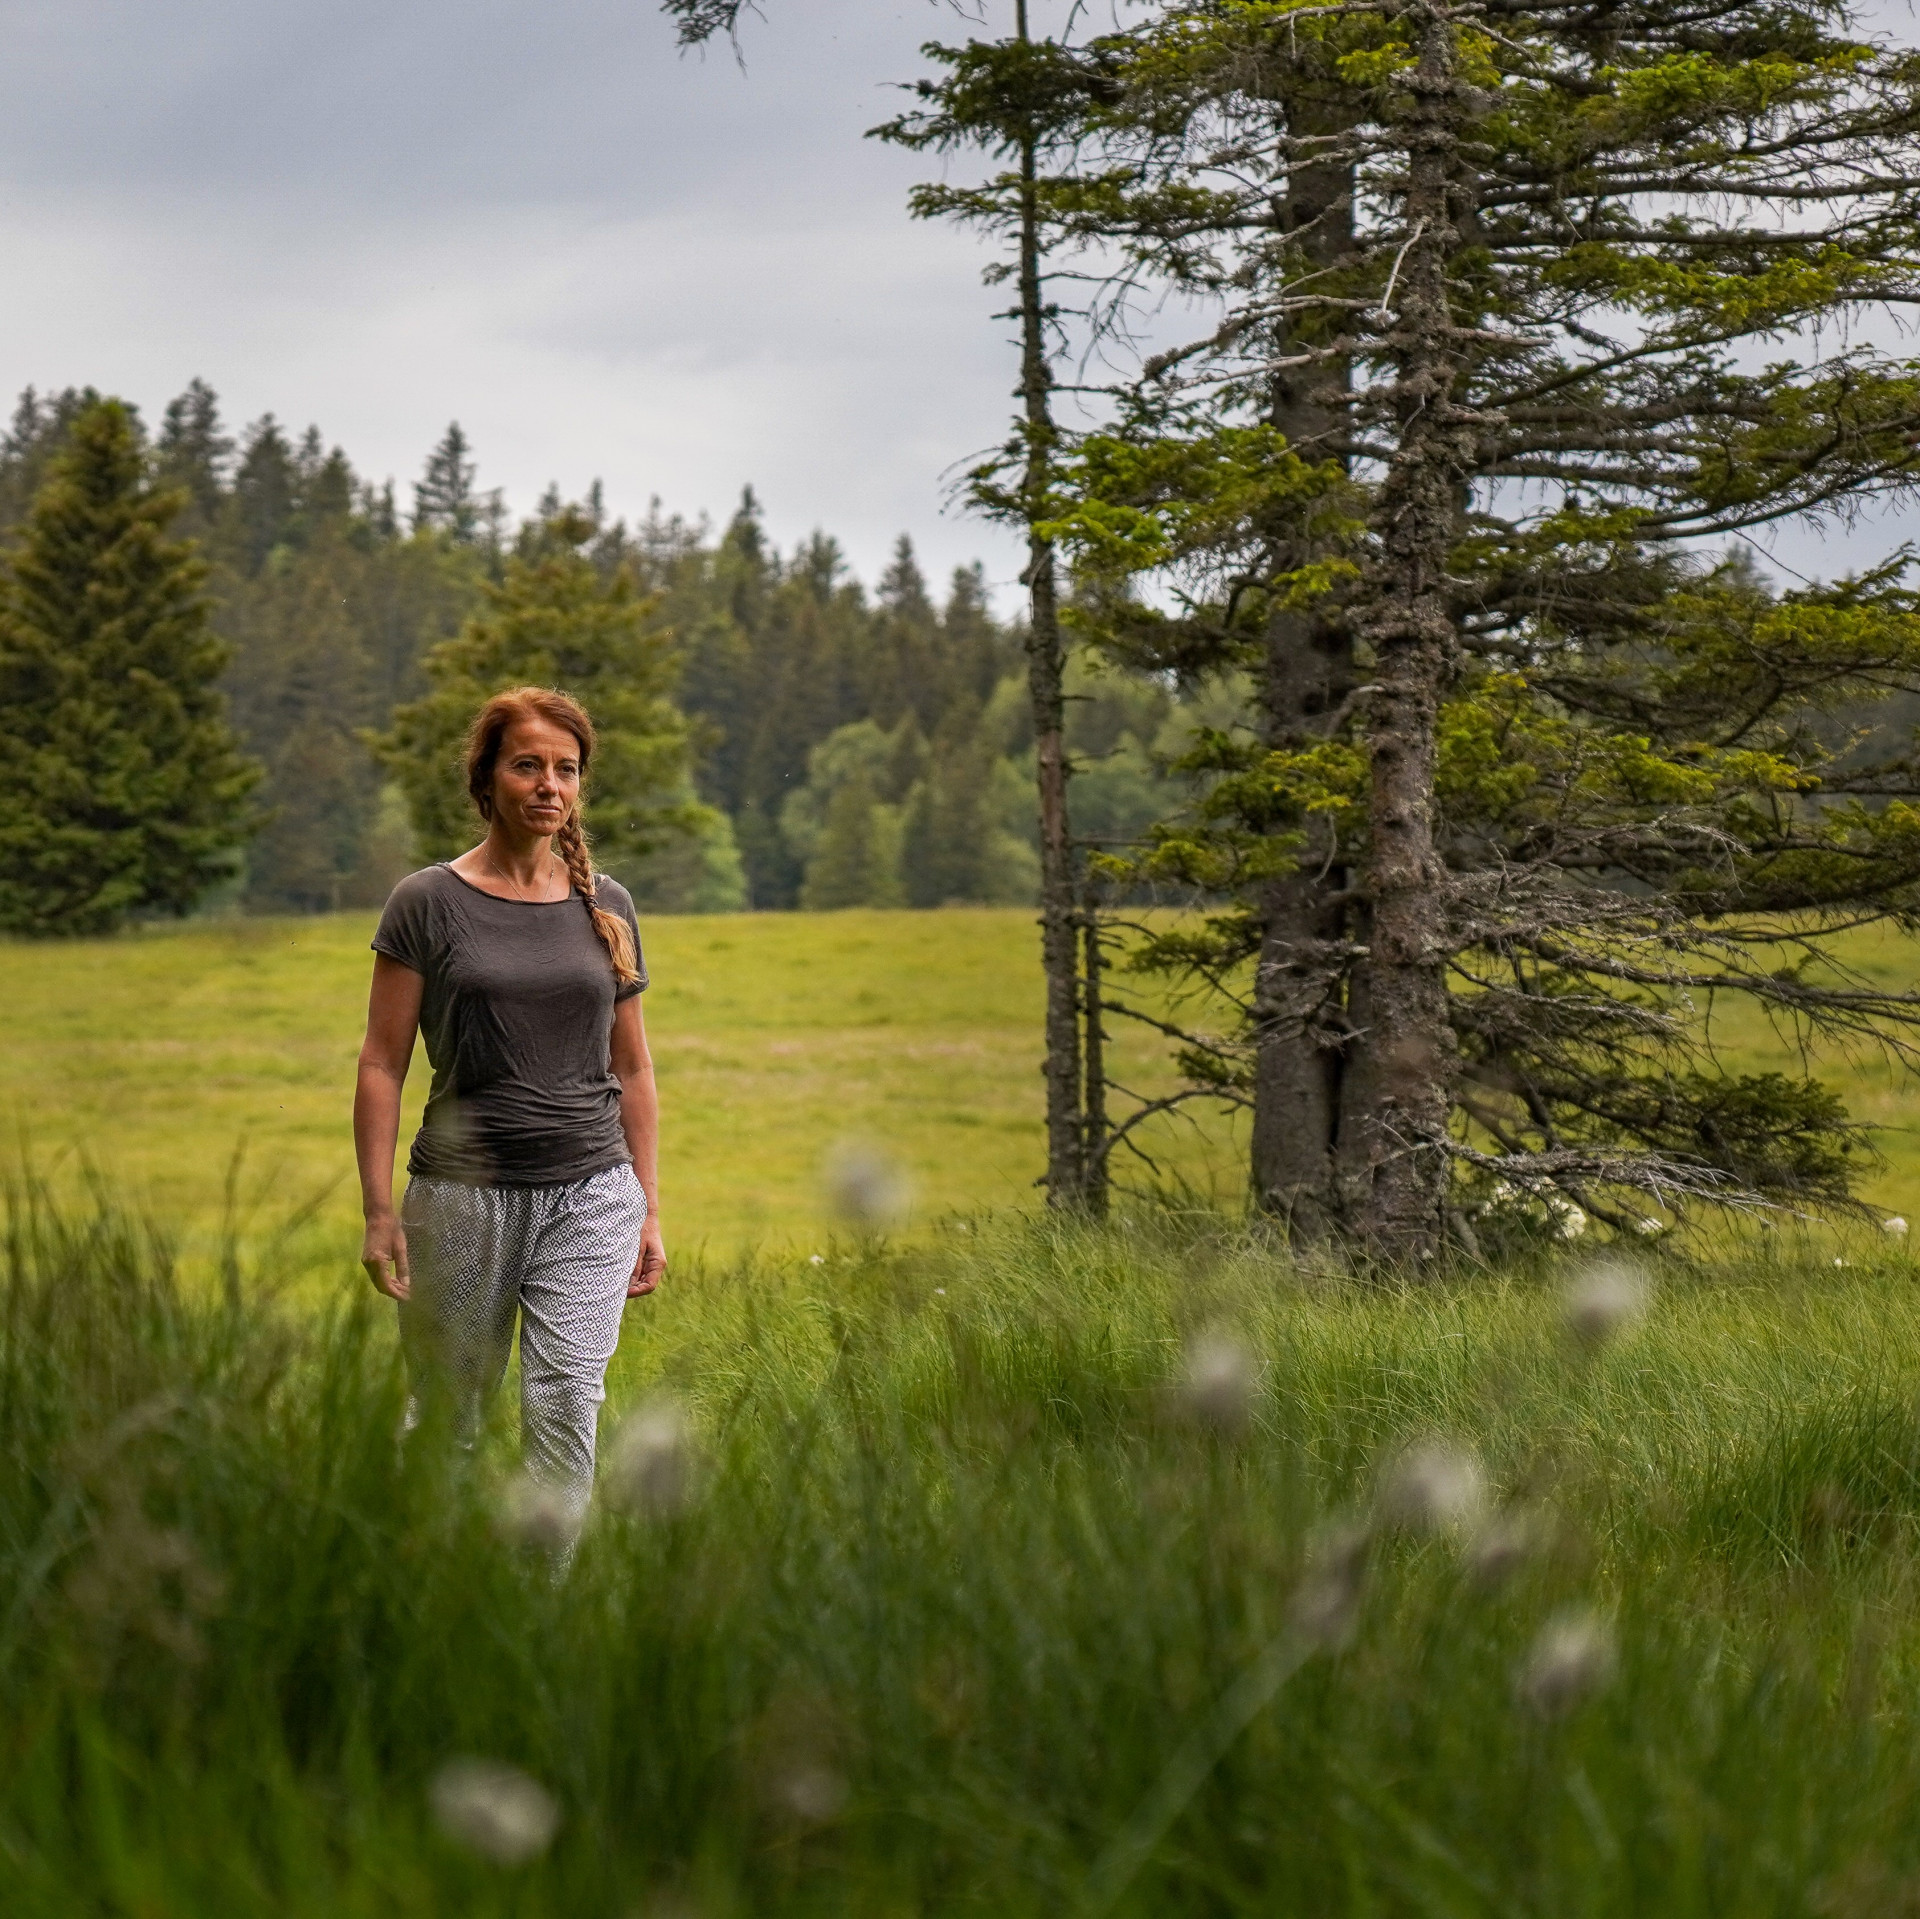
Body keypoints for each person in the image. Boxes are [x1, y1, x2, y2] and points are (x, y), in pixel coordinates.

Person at [354, 685, 666, 1524]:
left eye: (567, 769)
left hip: (593, 1193)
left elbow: (633, 1067)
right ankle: (428, 1580)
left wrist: (647, 1207)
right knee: (447, 1420)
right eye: (528, 765)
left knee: (565, 1406)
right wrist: (380, 1212)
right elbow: (382, 1062)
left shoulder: (608, 904)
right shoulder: (427, 901)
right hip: (461, 1197)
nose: (549, 785)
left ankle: (545, 1594)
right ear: (486, 777)